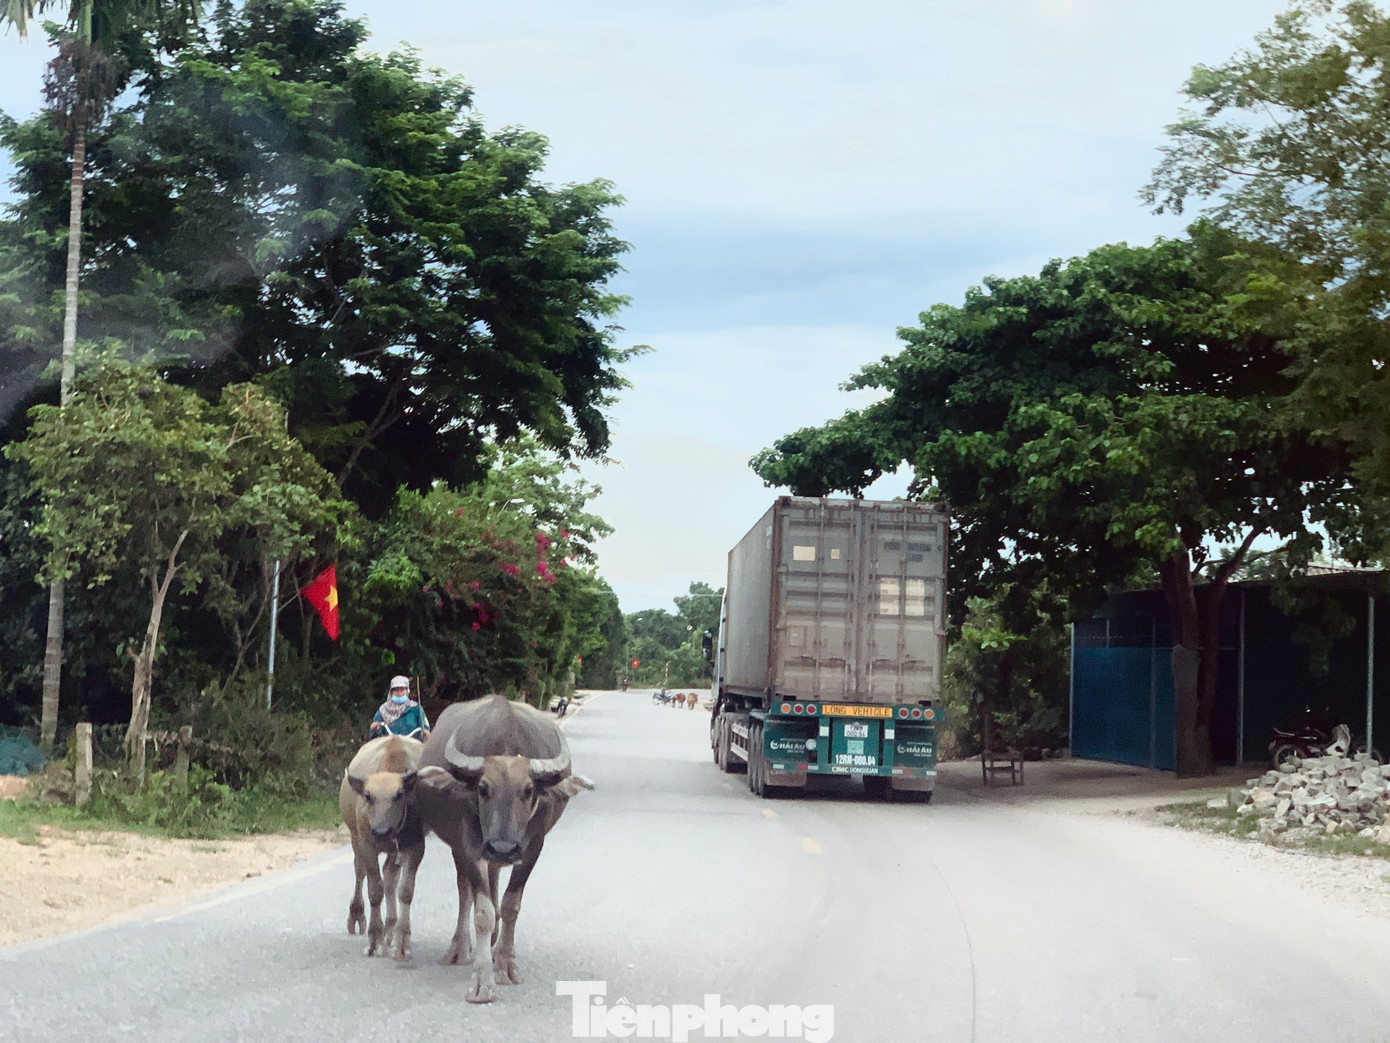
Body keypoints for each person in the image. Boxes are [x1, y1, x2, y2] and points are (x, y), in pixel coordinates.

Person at [369, 675, 431, 741]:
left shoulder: (416, 709)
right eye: (396, 690)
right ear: (391, 692)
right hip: (389, 745)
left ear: (407, 691)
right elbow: (374, 734)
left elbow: (425, 728)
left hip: (412, 745)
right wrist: (375, 728)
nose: (399, 693)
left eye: (402, 689)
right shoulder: (383, 709)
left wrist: (425, 733)